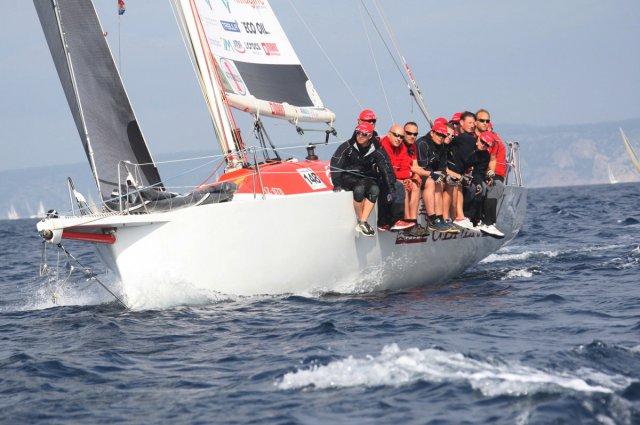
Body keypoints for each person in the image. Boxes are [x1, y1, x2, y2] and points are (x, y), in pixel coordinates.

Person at [330, 121, 398, 237]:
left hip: (365, 176)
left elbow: (386, 167)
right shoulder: (347, 146)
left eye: (364, 134)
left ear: (370, 136)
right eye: (358, 133)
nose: (360, 136)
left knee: (375, 190)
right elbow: (335, 163)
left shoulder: (376, 149)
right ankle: (362, 221)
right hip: (347, 176)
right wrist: (336, 183)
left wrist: (391, 186)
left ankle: (362, 222)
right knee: (359, 189)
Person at [412, 122, 456, 233]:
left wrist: (447, 177)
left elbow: (442, 168)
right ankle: (432, 219)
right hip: (418, 172)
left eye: (443, 136)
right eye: (439, 134)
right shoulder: (423, 143)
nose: (441, 137)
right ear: (432, 133)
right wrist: (434, 174)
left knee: (442, 182)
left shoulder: (441, 146)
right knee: (432, 182)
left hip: (430, 173)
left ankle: (440, 218)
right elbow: (422, 167)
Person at [379, 125, 418, 232]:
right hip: (382, 178)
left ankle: (411, 221)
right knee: (401, 186)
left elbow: (405, 165)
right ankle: (400, 220)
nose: (399, 139)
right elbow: (387, 172)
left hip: (394, 177)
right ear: (388, 134)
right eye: (396, 135)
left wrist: (407, 177)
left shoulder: (402, 147)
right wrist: (408, 174)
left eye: (401, 137)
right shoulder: (382, 147)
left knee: (413, 185)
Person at [445, 111, 478, 230]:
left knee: (471, 185)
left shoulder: (466, 138)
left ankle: (461, 217)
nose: (472, 125)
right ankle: (452, 217)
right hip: (449, 172)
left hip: (458, 171)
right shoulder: (461, 138)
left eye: (473, 123)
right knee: (456, 182)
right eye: (470, 123)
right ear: (461, 123)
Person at [477, 130, 507, 237]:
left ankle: (488, 222)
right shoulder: (469, 143)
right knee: (479, 186)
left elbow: (492, 159)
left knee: (495, 186)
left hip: (483, 175)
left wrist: (489, 175)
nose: (483, 145)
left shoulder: (488, 151)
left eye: (487, 122)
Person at [402, 121, 425, 234]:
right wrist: (413, 174)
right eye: (409, 133)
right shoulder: (399, 144)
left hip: (407, 173)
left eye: (415, 134)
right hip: (399, 175)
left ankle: (413, 221)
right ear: (403, 133)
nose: (412, 136)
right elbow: (398, 166)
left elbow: (415, 166)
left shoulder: (413, 146)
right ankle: (407, 222)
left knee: (416, 184)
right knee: (407, 185)